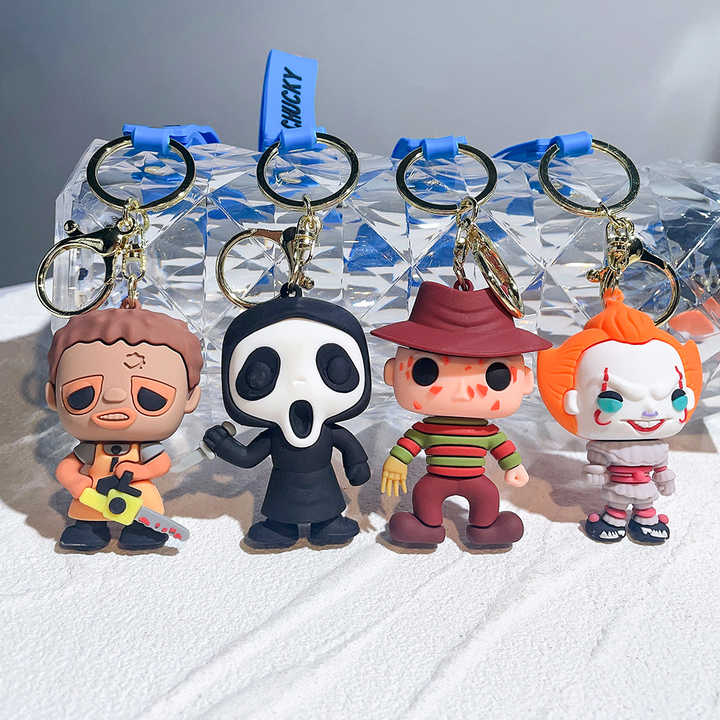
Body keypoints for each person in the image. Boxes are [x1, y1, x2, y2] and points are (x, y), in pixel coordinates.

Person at [372, 281, 551, 547]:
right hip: (435, 479)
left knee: (488, 496)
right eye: (426, 371)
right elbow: (409, 444)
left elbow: (502, 447)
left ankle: (485, 527)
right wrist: (397, 460)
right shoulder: (426, 429)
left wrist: (513, 465)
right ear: (392, 373)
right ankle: (426, 527)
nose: (462, 393)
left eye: (496, 376)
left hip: (476, 479)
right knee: (425, 493)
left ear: (526, 381)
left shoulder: (487, 432)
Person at [537, 289, 702, 544]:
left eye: (675, 396)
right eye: (613, 399)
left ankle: (646, 521)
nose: (649, 412)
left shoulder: (659, 449)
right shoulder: (602, 448)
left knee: (645, 506)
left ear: (688, 395)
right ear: (572, 400)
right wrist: (594, 472)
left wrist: (665, 479)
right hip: (616, 488)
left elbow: (661, 469)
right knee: (616, 506)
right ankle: (613, 520)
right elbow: (596, 466)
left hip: (646, 490)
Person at [47, 305, 203, 551]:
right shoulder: (91, 448)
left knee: (146, 508)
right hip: (94, 495)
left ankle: (142, 530)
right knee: (88, 512)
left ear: (189, 399)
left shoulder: (146, 448)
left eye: (150, 397)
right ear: (53, 396)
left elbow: (161, 464)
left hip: (137, 494)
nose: (114, 397)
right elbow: (67, 467)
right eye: (83, 395)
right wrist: (75, 481)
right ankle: (89, 528)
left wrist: (140, 471)